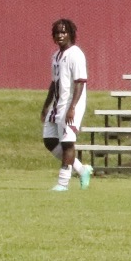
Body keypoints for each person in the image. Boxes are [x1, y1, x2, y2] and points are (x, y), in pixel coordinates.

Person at [40, 17, 92, 192]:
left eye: (63, 32)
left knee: (67, 143)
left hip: (71, 104)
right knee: (49, 140)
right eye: (57, 33)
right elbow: (54, 83)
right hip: (57, 105)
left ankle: (63, 184)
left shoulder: (76, 54)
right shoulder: (56, 56)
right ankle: (82, 170)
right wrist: (46, 106)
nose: (60, 35)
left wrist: (73, 107)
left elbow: (80, 82)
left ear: (70, 34)